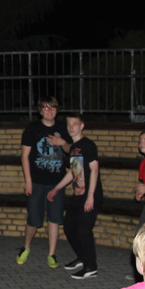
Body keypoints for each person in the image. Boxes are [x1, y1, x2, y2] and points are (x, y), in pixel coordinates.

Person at [17, 96, 72, 268]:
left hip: (57, 182)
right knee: (34, 219)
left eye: (53, 107)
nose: (50, 111)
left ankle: (52, 254)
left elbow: (71, 149)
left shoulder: (62, 128)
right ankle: (26, 247)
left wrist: (62, 142)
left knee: (54, 219)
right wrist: (28, 181)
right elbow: (25, 156)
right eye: (46, 108)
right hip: (37, 182)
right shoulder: (32, 129)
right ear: (40, 111)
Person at [48, 113, 102, 279]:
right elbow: (73, 172)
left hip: (90, 194)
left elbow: (94, 169)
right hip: (78, 195)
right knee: (69, 227)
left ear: (82, 126)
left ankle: (91, 266)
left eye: (75, 124)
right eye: (69, 124)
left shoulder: (88, 145)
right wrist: (56, 189)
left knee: (83, 230)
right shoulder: (74, 148)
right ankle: (82, 257)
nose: (71, 127)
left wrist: (90, 196)